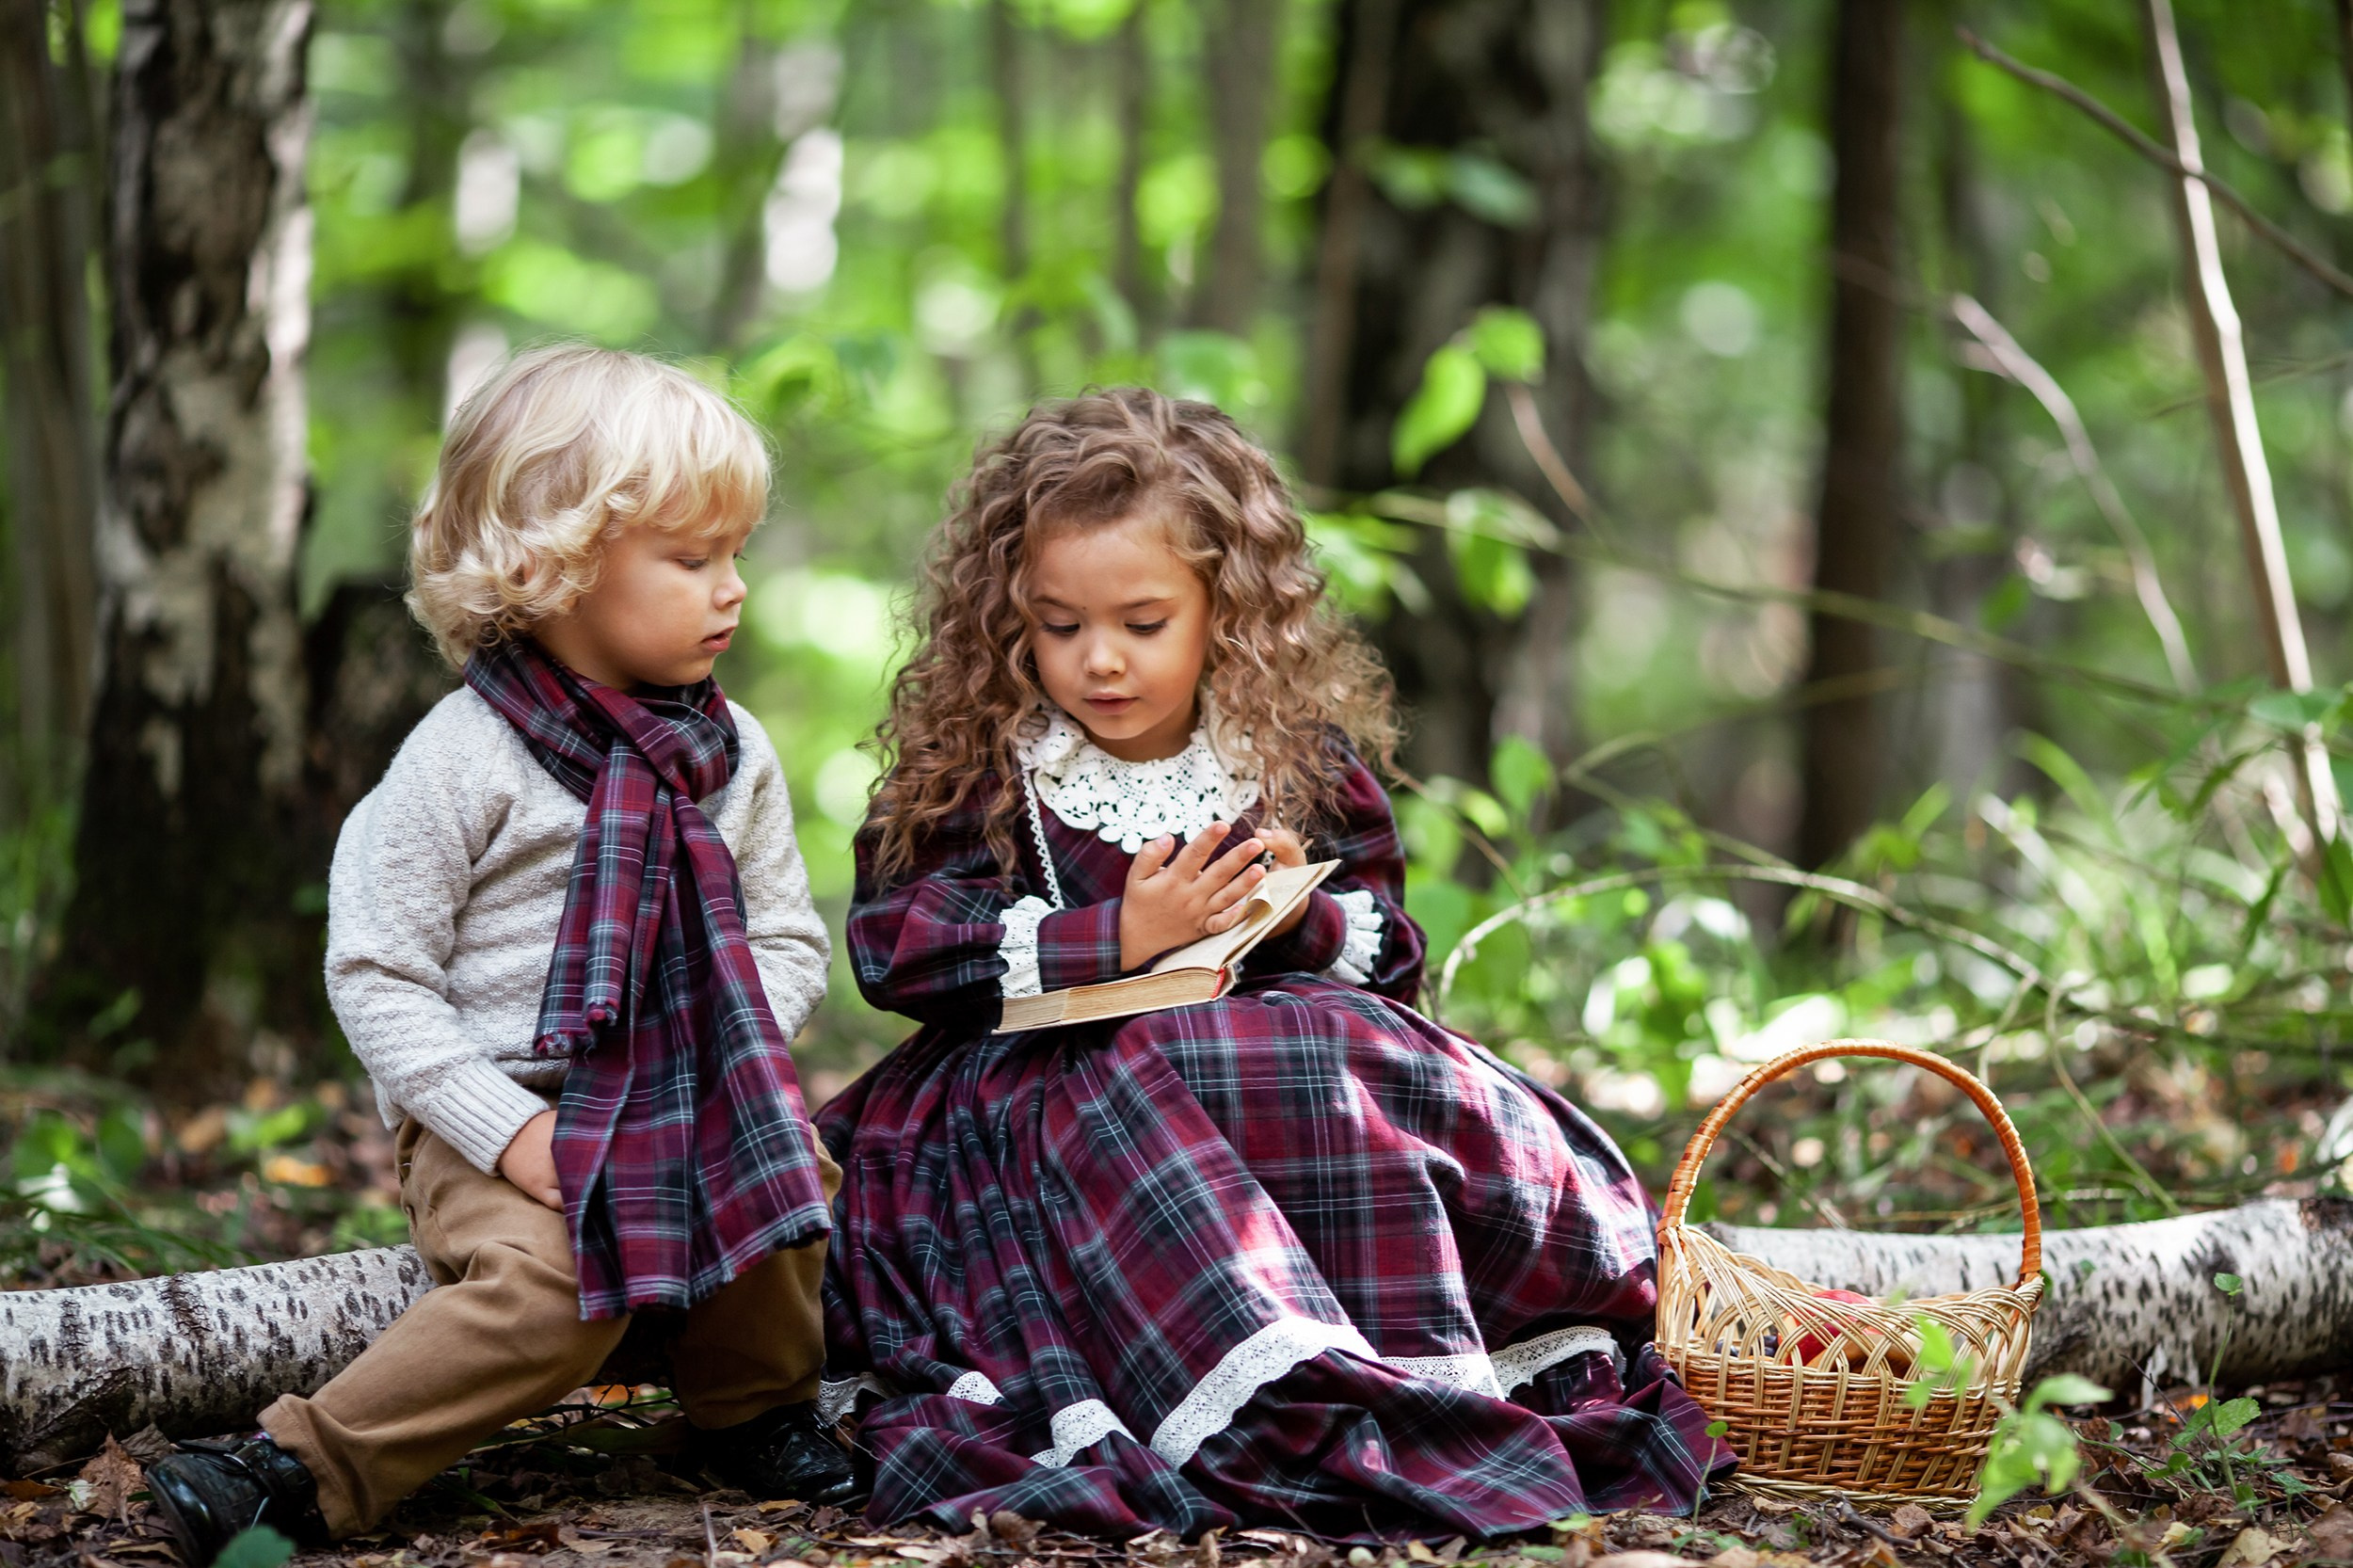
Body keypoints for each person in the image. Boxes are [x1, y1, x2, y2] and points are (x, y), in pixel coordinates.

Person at [819, 388, 1733, 1542]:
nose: (1099, 659)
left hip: (1266, 1085)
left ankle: (1382, 1354)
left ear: (1226, 610)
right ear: (1011, 619)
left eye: (1142, 622)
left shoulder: (1290, 759)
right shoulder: (990, 770)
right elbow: (897, 944)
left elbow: (1389, 957)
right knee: (1143, 1065)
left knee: (1333, 1046)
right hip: (1046, 1094)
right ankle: (1241, 1388)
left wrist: (1297, 920)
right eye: (1059, 625)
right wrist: (1111, 937)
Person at [144, 346, 859, 1565]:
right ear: (557, 565)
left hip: (684, 1081)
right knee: (558, 1281)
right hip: (497, 1110)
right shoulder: (463, 756)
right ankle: (297, 1465)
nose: (733, 589)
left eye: (735, 553)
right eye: (692, 559)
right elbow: (378, 972)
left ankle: (755, 1407)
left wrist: (718, 1046)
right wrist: (516, 1133)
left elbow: (784, 933)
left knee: (785, 1188)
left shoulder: (731, 751)